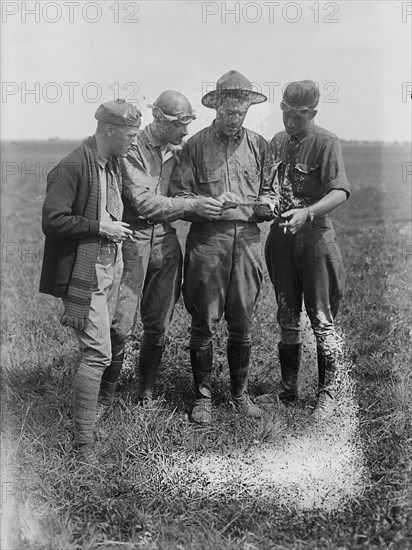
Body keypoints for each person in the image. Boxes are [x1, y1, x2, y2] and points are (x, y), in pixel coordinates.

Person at [170, 70, 279, 426]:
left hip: (247, 242)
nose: (235, 118)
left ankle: (239, 395)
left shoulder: (260, 146)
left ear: (248, 109)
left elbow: (272, 192)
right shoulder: (195, 146)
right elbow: (178, 196)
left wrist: (266, 203)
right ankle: (203, 397)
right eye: (229, 111)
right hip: (208, 242)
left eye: (241, 112)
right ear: (216, 107)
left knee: (243, 323)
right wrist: (202, 203)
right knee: (203, 321)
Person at [39, 99, 141, 459]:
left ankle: (91, 420)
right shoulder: (72, 166)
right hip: (85, 272)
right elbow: (52, 220)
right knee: (98, 353)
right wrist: (101, 227)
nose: (133, 141)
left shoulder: (109, 164)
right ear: (109, 131)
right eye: (129, 135)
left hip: (107, 267)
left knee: (100, 347)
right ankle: (84, 445)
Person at [109, 90, 223, 404]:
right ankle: (105, 394)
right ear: (158, 118)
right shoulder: (132, 150)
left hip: (167, 240)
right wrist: (192, 205)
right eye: (179, 124)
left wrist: (219, 198)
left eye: (189, 124)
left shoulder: (178, 150)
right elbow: (144, 203)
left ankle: (146, 393)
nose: (186, 131)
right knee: (120, 326)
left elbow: (196, 186)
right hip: (134, 241)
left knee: (158, 323)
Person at [258, 80, 351, 420]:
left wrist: (308, 212)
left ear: (312, 113)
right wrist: (266, 203)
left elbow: (340, 191)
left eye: (298, 115)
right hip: (281, 238)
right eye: (284, 111)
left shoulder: (326, 142)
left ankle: (327, 393)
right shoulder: (277, 142)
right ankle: (288, 388)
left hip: (314, 238)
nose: (289, 120)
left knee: (322, 320)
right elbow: (267, 187)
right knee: (286, 314)